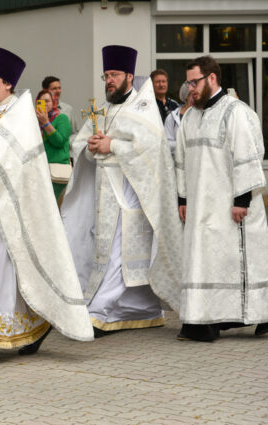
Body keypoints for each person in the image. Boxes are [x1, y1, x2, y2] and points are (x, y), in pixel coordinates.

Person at [0, 48, 92, 369]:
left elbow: (14, 161)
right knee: (7, 272)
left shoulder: (19, 114)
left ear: (7, 83)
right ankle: (38, 323)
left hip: (6, 209)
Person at [61, 45, 182, 337]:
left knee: (118, 257)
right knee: (108, 255)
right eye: (105, 76)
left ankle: (98, 312)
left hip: (131, 198)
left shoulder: (143, 107)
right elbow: (79, 145)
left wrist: (111, 145)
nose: (109, 81)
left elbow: (152, 149)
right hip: (104, 197)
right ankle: (140, 310)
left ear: (130, 75)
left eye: (114, 74)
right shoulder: (102, 109)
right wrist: (90, 147)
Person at [175, 55, 268, 341]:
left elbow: (246, 156)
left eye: (194, 81)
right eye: (188, 82)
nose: (190, 87)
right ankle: (201, 319)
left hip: (230, 205)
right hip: (200, 207)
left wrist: (242, 200)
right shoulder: (189, 116)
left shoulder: (235, 112)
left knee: (237, 262)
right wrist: (183, 199)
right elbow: (180, 160)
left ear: (211, 78)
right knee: (203, 262)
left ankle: (258, 315)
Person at [35, 88, 71, 198]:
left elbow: (59, 141)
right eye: (41, 102)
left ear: (54, 102)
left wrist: (46, 123)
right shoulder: (34, 122)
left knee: (50, 205)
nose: (45, 104)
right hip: (40, 170)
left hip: (56, 171)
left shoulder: (62, 118)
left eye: (48, 101)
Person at [42, 76, 78, 142]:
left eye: (59, 88)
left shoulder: (68, 109)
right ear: (45, 91)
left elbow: (74, 133)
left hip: (63, 150)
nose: (58, 91)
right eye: (54, 89)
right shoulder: (39, 111)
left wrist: (66, 143)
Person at [164, 82, 192, 155]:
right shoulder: (172, 117)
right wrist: (184, 145)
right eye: (191, 94)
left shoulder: (203, 116)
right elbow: (167, 144)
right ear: (186, 96)